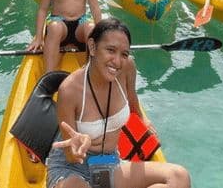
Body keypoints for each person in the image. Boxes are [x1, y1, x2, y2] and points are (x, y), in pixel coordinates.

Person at [46, 18, 191, 188]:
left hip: (110, 163)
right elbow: (71, 155)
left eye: (124, 54)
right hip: (72, 169)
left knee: (179, 177)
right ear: (92, 47)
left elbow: (132, 98)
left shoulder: (127, 68)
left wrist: (143, 119)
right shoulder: (70, 90)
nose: (117, 61)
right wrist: (81, 144)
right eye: (110, 50)